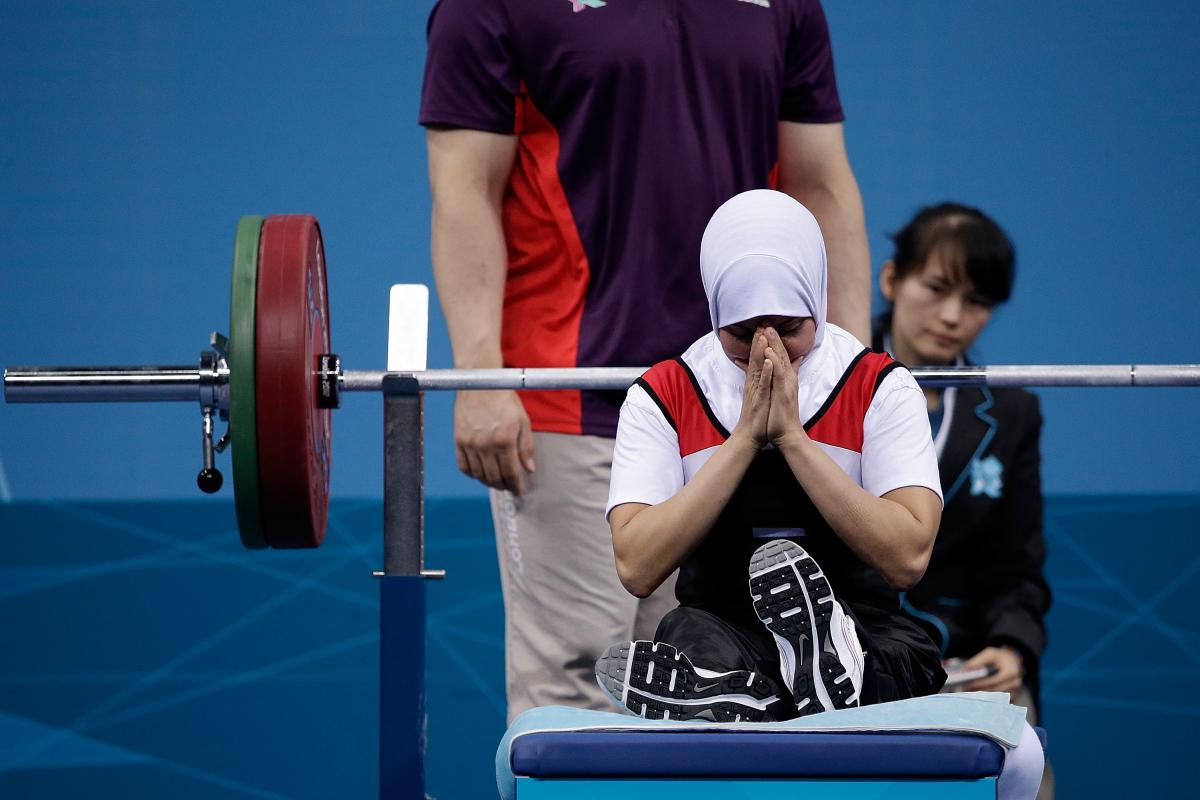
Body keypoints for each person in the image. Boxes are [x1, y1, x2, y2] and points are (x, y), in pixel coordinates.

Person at [420, 0, 871, 720]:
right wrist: (483, 374)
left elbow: (820, 183)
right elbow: (465, 189)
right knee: (576, 684)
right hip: (573, 393)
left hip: (736, 401)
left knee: (721, 682)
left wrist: (847, 379)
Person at [597, 190, 1044, 799]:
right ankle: (768, 686)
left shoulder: (880, 387)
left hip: (864, 623)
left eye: (787, 328)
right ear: (712, 313)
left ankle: (799, 674)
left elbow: (908, 557)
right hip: (724, 625)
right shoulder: (664, 394)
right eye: (742, 333)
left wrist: (794, 440)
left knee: (899, 662)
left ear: (817, 302)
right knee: (691, 640)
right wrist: (745, 441)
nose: (767, 352)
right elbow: (638, 565)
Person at [874, 202, 1053, 797]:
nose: (953, 317)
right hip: (841, 652)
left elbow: (1017, 569)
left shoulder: (1011, 413)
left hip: (961, 660)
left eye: (976, 302)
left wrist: (1010, 646)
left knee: (1026, 753)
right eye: (936, 288)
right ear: (891, 279)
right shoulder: (822, 389)